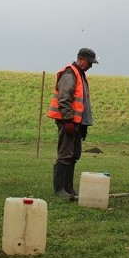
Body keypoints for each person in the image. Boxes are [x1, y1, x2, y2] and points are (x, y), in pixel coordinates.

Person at [47, 48, 98, 198]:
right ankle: (59, 189)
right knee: (65, 154)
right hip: (67, 121)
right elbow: (64, 99)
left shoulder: (80, 75)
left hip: (77, 123)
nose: (91, 66)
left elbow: (82, 103)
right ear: (81, 59)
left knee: (74, 154)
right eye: (89, 62)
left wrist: (83, 126)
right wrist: (68, 120)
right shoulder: (70, 73)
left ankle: (68, 188)